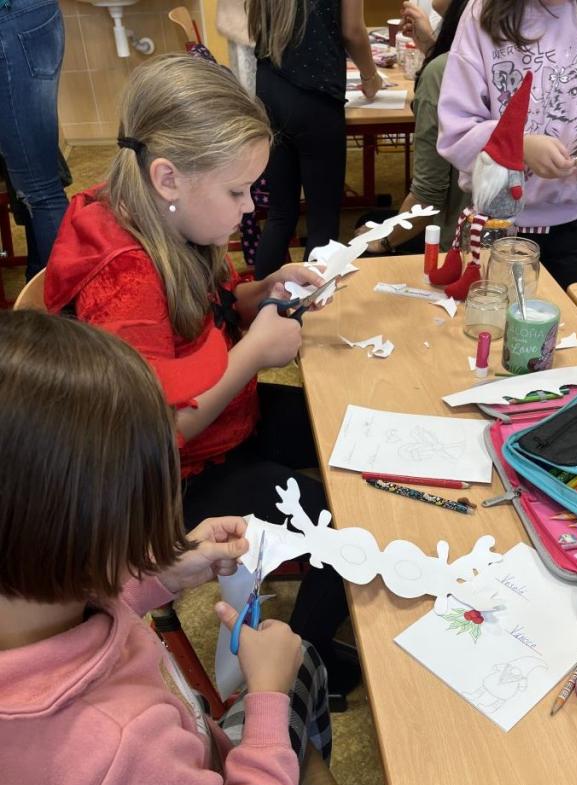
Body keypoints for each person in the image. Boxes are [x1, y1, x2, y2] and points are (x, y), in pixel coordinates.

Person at [0, 309, 331, 785]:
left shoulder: (35, 607)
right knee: (301, 667)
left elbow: (77, 607)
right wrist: (266, 698)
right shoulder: (120, 748)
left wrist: (161, 575)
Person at [44, 54, 357, 694]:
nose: (248, 208)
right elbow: (159, 430)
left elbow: (204, 315)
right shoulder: (124, 277)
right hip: (165, 485)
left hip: (227, 427)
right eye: (237, 192)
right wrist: (255, 353)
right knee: (342, 525)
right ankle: (302, 663)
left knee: (346, 437)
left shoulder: (166, 216)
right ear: (168, 177)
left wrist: (259, 293)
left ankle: (310, 636)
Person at [437, 0, 577, 288]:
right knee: (492, 310)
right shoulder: (482, 13)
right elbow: (456, 129)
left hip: (572, 224)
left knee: (559, 313)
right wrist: (517, 147)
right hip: (497, 222)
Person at [248, 0, 382, 275]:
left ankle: (262, 297)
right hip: (315, 96)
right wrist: (370, 76)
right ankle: (316, 301)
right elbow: (353, 31)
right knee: (322, 220)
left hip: (269, 88)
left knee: (280, 214)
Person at [357, 0, 471, 257]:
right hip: (489, 230)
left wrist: (384, 241)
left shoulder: (442, 72)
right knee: (371, 219)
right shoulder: (480, 56)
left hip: (454, 239)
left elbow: (428, 195)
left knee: (365, 235)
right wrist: (431, 46)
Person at [0, 0, 69, 277]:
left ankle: (64, 298)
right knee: (35, 182)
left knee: (39, 189)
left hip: (11, 24)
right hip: (29, 17)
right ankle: (39, 279)